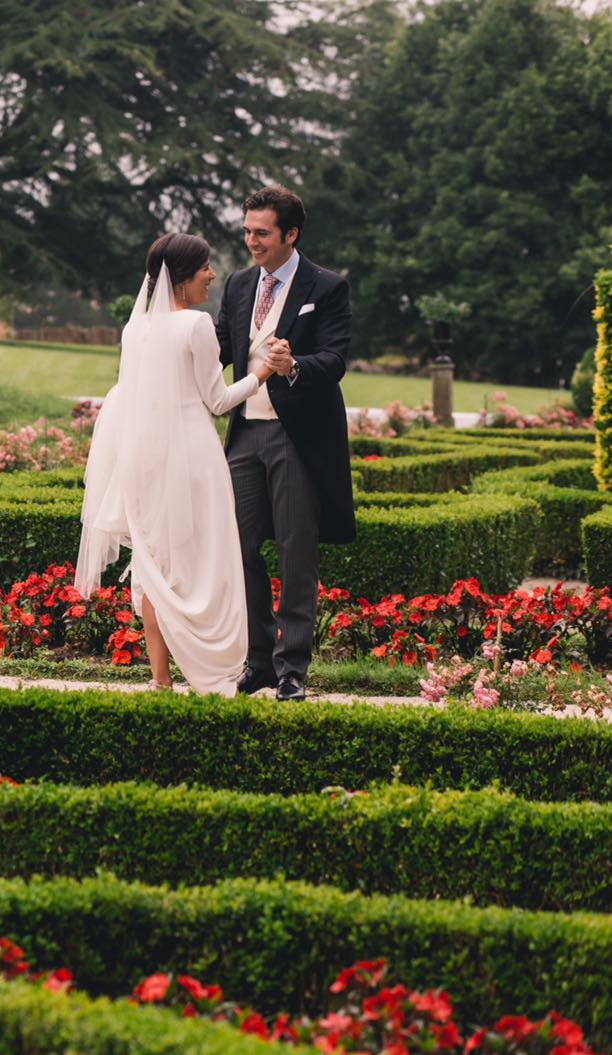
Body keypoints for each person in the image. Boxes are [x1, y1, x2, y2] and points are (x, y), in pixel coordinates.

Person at [76, 233, 274, 696]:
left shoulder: (134, 329)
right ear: (183, 277)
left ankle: (160, 678)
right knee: (202, 560)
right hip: (192, 457)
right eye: (205, 266)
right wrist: (261, 374)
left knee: (153, 563)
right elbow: (218, 400)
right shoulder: (195, 325)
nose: (212, 274)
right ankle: (211, 664)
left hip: (143, 458)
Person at [215, 186, 355, 701]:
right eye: (247, 231)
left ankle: (292, 667)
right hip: (245, 432)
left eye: (261, 233)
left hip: (298, 438)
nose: (251, 241)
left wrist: (294, 365)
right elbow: (219, 344)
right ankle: (259, 662)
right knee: (239, 547)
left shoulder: (327, 286)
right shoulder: (236, 284)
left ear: (290, 234)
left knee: (297, 552)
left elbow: (336, 360)